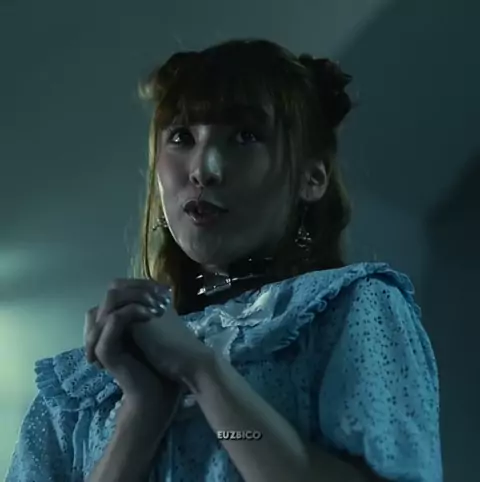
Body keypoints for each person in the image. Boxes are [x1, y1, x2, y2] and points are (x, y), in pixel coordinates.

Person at [6, 38, 442, 482]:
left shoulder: (350, 309)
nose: (203, 169)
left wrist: (203, 372)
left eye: (245, 136)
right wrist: (140, 418)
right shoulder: (79, 388)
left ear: (311, 178)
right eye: (181, 137)